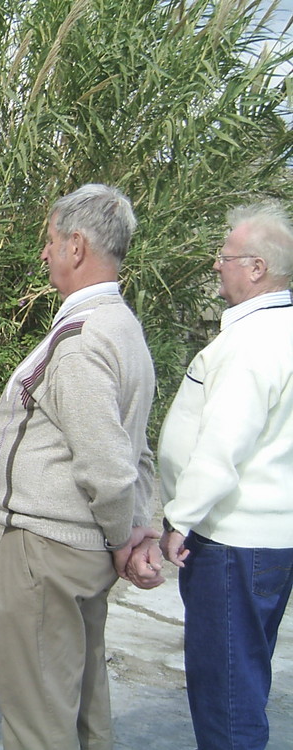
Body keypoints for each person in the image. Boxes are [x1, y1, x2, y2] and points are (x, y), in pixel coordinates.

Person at [0, 184, 158, 749]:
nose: (45, 253)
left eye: (51, 241)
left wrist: (123, 534)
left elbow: (108, 465)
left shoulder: (83, 338)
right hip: (77, 549)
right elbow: (138, 448)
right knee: (81, 705)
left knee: (38, 718)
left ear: (76, 246)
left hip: (49, 551)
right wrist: (132, 527)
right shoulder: (122, 328)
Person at [155, 204, 293, 750]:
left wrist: (179, 519)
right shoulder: (280, 331)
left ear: (257, 268)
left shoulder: (253, 342)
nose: (217, 266)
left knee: (227, 692)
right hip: (269, 539)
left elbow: (220, 447)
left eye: (226, 257)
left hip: (233, 541)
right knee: (246, 677)